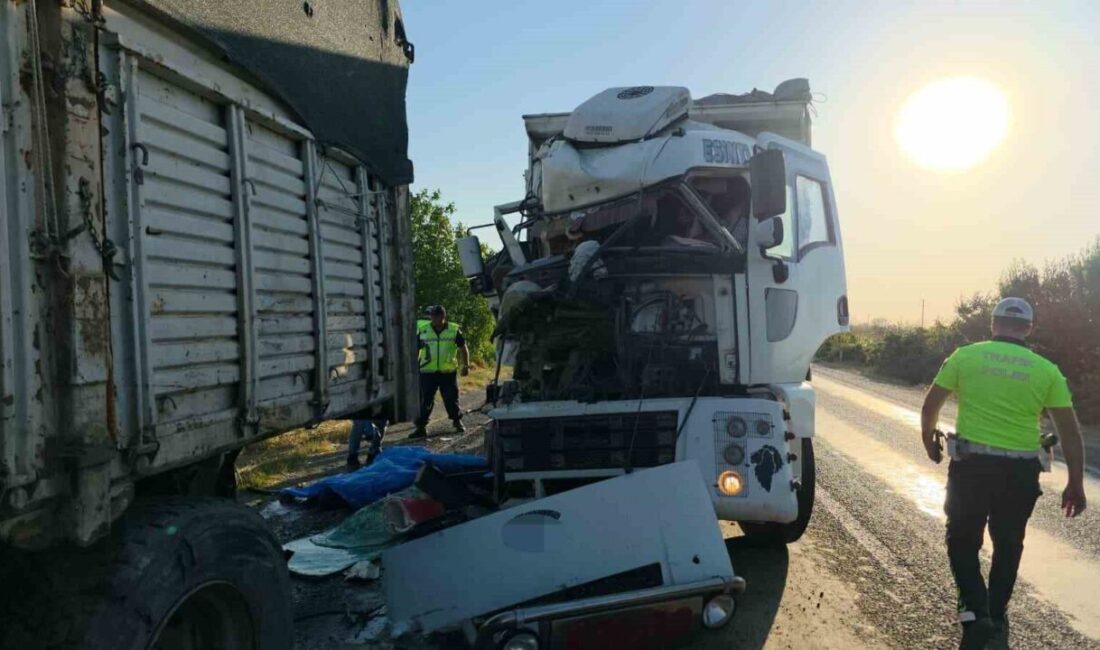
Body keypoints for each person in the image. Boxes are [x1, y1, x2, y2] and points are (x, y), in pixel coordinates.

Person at [921, 297, 1087, 649]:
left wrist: (929, 440)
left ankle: (974, 609)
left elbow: (931, 403)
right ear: (1028, 328)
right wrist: (1075, 482)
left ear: (993, 323)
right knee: (1009, 542)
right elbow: (1070, 432)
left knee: (962, 539)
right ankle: (994, 615)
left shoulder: (965, 356)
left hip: (972, 467)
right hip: (1020, 471)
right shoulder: (1047, 370)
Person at [412, 305, 469, 439]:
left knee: (451, 398)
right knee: (425, 400)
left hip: (447, 371)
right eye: (431, 316)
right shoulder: (424, 330)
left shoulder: (453, 330)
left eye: (435, 316)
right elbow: (415, 349)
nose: (433, 319)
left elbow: (463, 348)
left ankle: (457, 421)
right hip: (427, 371)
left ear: (443, 316)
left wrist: (466, 365)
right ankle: (421, 427)